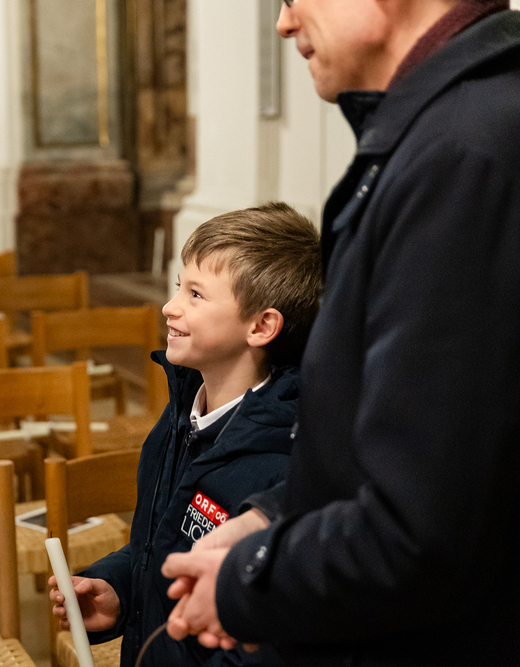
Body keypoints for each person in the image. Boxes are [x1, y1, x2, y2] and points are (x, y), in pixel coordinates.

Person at [161, 1, 520, 665]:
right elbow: (409, 442)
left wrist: (249, 580)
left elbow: (425, 528)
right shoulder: (451, 128)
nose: (284, 22)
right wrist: (271, 517)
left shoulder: (461, 154)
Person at [49, 202, 322, 666]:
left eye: (196, 294)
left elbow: (261, 644)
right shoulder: (182, 413)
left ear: (261, 326)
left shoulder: (282, 462)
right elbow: (162, 543)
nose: (169, 306)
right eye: (179, 286)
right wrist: (119, 590)